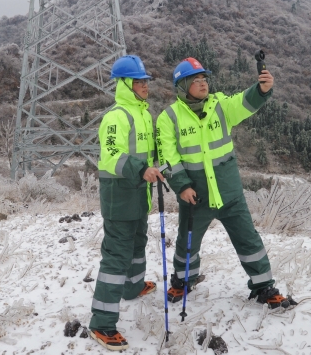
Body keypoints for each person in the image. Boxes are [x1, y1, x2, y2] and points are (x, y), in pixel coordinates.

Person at [156, 57, 296, 309]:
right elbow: (167, 158)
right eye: (195, 80)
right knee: (187, 241)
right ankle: (183, 281)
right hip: (194, 194)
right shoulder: (169, 118)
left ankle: (264, 286)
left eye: (204, 79)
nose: (203, 84)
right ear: (182, 85)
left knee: (248, 238)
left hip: (229, 191)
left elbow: (243, 102)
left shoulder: (219, 105)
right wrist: (183, 186)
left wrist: (262, 89)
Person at [88, 55, 165, 351]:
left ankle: (132, 287)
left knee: (136, 243)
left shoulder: (144, 114)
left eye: (146, 81)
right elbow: (111, 155)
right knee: (116, 257)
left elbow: (146, 151)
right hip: (119, 194)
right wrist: (141, 170)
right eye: (139, 81)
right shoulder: (116, 116)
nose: (145, 86)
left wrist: (159, 166)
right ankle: (102, 323)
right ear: (124, 84)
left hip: (138, 193)